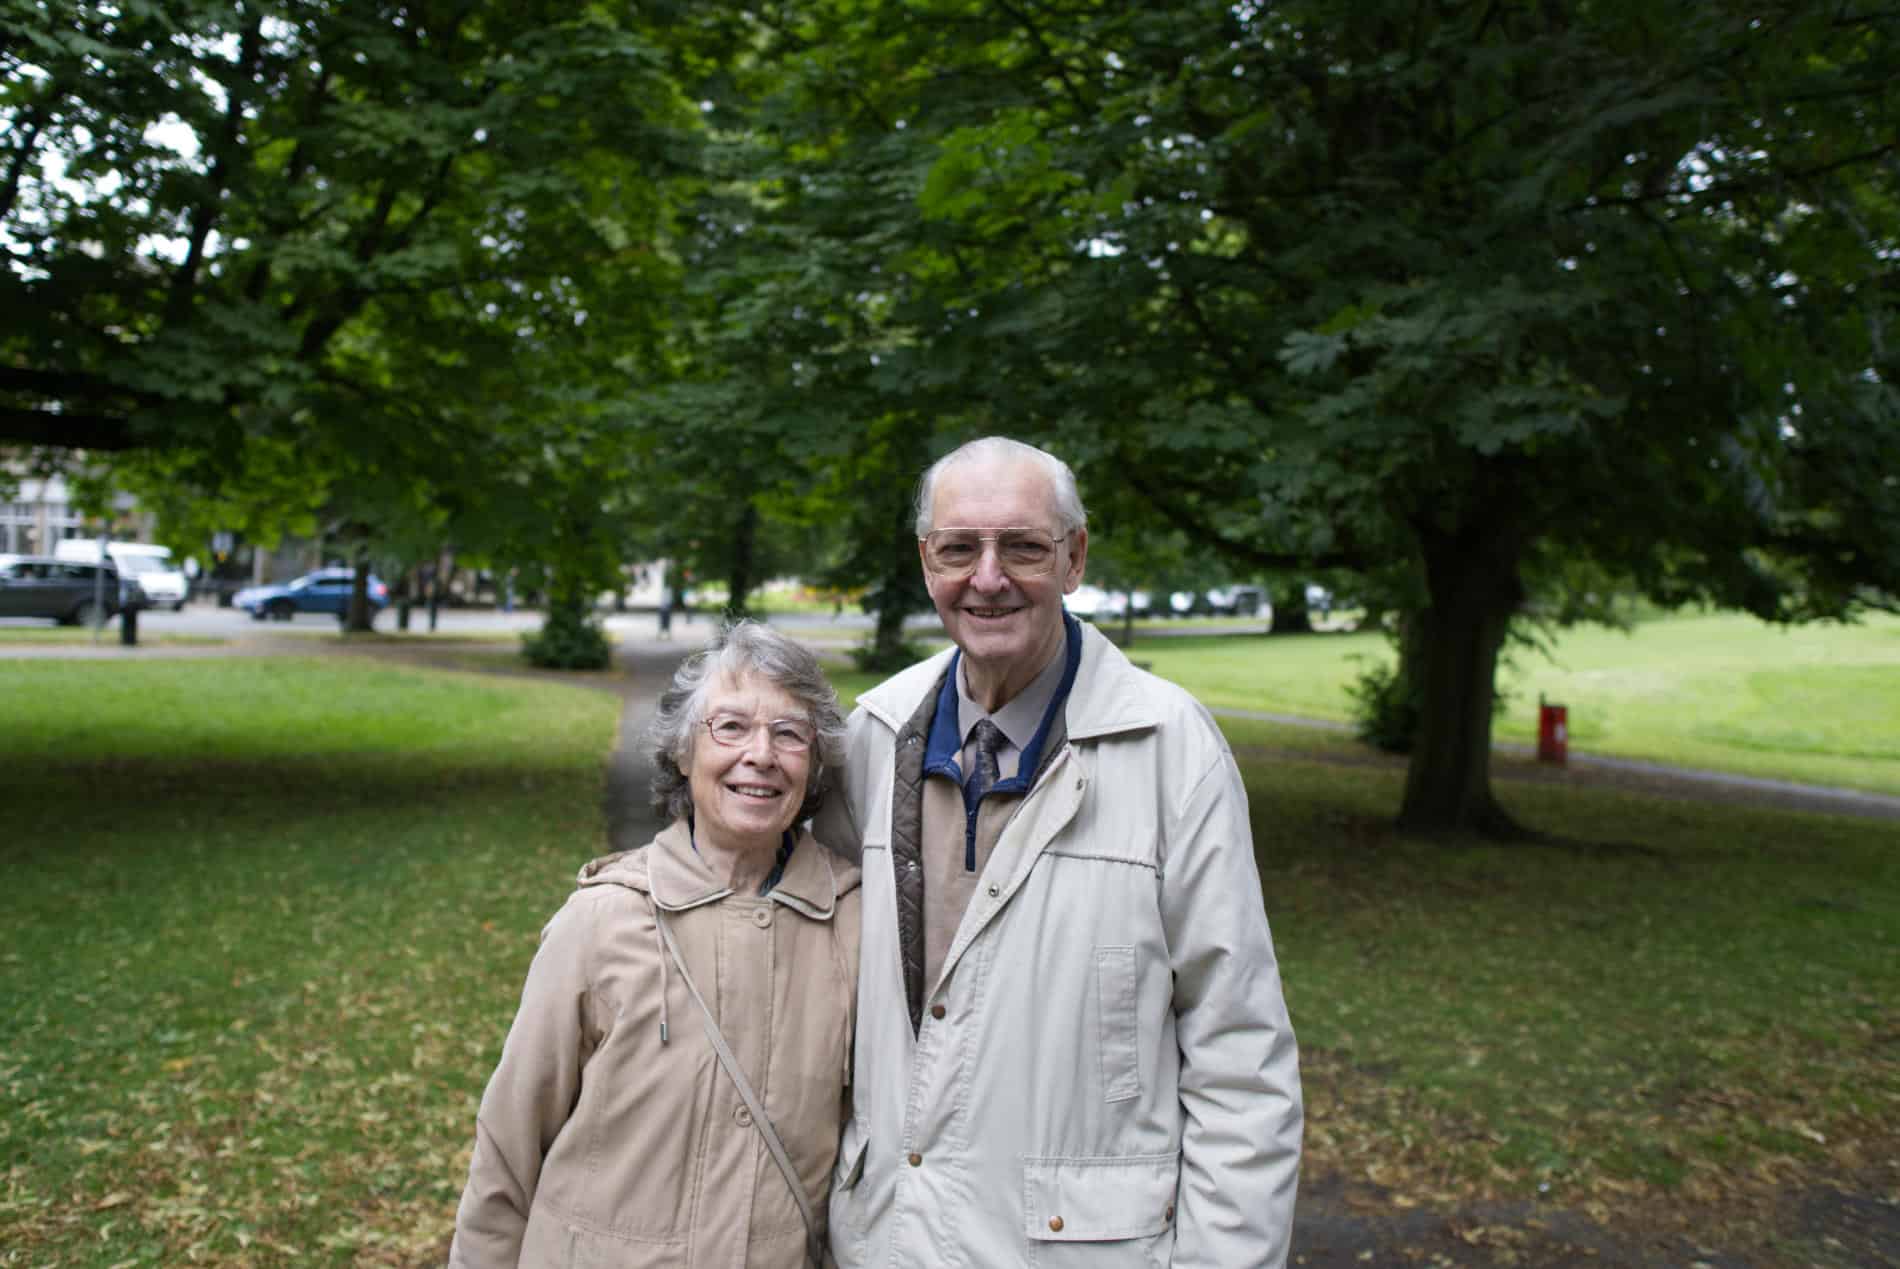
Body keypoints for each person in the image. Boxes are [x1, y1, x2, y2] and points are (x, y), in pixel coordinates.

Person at [817, 437, 1302, 1267]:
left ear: (1074, 557)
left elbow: (1241, 1063)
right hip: (885, 1244)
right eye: (959, 547)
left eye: (1025, 546)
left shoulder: (1173, 749)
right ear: (927, 561)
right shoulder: (873, 734)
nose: (989, 576)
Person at [450, 620, 861, 1268]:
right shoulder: (601, 922)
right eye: (729, 726)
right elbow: (509, 1146)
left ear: (814, 765)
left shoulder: (855, 924)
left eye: (789, 733)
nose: (761, 753)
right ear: (681, 750)